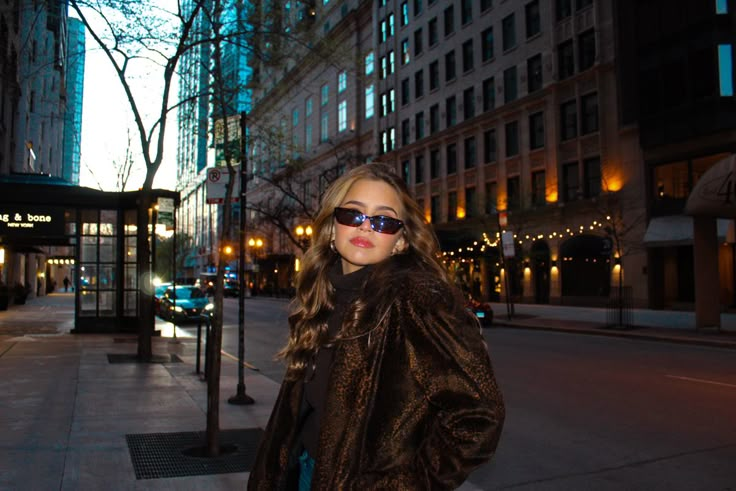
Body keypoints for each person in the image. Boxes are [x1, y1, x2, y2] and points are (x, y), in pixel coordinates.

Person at [248, 163, 505, 490]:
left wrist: (403, 485)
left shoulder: (418, 298)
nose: (366, 227)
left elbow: (479, 417)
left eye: (383, 221)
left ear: (400, 240)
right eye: (353, 215)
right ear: (332, 226)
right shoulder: (325, 295)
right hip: (305, 471)